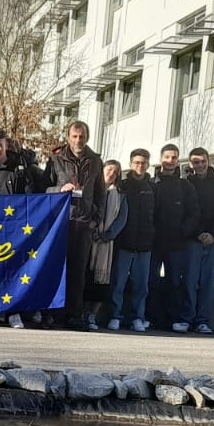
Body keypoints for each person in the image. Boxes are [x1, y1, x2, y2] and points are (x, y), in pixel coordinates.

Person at [0, 127, 46, 329]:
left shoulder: (20, 169)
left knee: (13, 270)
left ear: (6, 146)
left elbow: (30, 198)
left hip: (14, 228)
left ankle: (14, 313)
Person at [44, 121, 106, 330]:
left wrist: (96, 220)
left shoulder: (96, 161)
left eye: (82, 136)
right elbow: (43, 189)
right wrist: (59, 188)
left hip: (84, 223)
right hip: (61, 222)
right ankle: (52, 314)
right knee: (56, 268)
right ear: (68, 137)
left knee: (78, 271)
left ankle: (74, 315)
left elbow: (101, 194)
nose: (79, 140)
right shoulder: (56, 159)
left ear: (87, 137)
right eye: (75, 136)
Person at [149, 144, 201, 333]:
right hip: (154, 242)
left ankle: (175, 319)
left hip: (177, 243)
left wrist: (183, 231)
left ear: (178, 161)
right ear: (161, 159)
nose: (170, 161)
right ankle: (152, 318)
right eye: (167, 157)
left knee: (175, 283)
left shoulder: (185, 185)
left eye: (174, 158)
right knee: (151, 281)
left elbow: (194, 212)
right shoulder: (152, 183)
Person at [180, 147, 214, 334]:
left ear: (209, 161)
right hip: (193, 240)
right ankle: (187, 318)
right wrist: (197, 233)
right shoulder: (186, 184)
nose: (200, 165)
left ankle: (202, 320)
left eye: (203, 161)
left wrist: (212, 233)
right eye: (196, 162)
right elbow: (186, 212)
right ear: (190, 164)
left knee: (209, 283)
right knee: (190, 282)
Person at [109, 149, 156, 332]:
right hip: (124, 244)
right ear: (130, 164)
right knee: (118, 284)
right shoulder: (122, 186)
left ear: (148, 165)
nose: (140, 166)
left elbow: (157, 215)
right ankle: (115, 315)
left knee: (141, 286)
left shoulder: (152, 188)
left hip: (145, 245)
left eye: (143, 163)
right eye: (136, 162)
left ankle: (138, 317)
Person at [85, 160, 127, 330]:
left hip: (107, 246)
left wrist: (107, 235)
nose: (112, 174)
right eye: (109, 170)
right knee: (85, 279)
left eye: (116, 172)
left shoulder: (120, 195)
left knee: (102, 284)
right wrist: (91, 230)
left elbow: (121, 219)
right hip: (88, 241)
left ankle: (92, 315)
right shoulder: (91, 190)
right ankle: (80, 313)